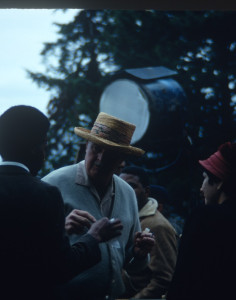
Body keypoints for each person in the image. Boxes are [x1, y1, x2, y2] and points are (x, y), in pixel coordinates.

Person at [0, 105, 123, 300]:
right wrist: (93, 237)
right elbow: (59, 268)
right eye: (45, 144)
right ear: (36, 149)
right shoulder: (46, 194)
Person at [42, 112, 155, 300]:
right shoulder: (53, 184)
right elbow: (31, 251)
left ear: (122, 160)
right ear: (86, 146)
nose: (101, 158)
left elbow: (131, 263)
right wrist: (62, 229)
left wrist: (139, 254)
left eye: (110, 154)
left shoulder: (127, 193)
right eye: (96, 149)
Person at [167, 142, 236, 300]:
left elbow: (184, 277)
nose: (201, 188)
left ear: (219, 182)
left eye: (205, 179)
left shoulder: (205, 217)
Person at [120, 166, 178, 299]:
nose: (125, 191)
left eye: (132, 186)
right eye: (121, 186)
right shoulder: (123, 217)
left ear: (146, 192)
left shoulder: (157, 226)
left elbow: (163, 280)